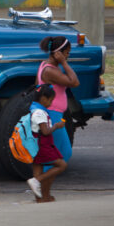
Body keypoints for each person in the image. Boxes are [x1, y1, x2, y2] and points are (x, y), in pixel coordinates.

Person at [37, 36, 80, 165]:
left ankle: (40, 181)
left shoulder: (44, 65)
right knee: (64, 153)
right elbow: (75, 82)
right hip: (52, 114)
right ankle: (39, 181)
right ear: (58, 53)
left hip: (52, 114)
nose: (68, 56)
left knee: (54, 152)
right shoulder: (50, 70)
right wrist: (64, 63)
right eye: (66, 53)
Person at [26, 84, 67, 203]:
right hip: (43, 144)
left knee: (38, 167)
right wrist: (56, 126)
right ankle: (37, 180)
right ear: (43, 98)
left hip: (35, 144)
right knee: (61, 165)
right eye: (50, 100)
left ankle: (41, 198)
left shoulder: (33, 108)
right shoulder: (39, 112)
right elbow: (45, 131)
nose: (51, 103)